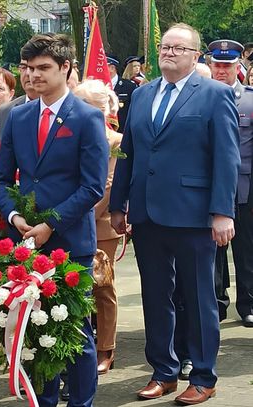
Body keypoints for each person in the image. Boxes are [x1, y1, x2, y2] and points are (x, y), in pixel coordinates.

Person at [110, 23, 240, 405]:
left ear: (195, 56)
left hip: (195, 215)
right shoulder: (143, 93)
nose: (169, 52)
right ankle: (163, 371)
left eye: (178, 48)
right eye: (165, 46)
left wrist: (222, 212)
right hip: (148, 214)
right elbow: (129, 153)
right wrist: (119, 204)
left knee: (198, 297)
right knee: (155, 296)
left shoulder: (214, 95)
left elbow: (226, 157)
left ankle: (202, 375)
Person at [0, 33, 108, 407]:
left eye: (44, 68)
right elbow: (1, 178)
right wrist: (13, 215)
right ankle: (42, 400)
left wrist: (51, 224)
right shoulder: (17, 116)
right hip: (26, 242)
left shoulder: (88, 118)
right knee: (33, 327)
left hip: (70, 241)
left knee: (74, 330)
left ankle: (81, 402)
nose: (33, 75)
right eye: (28, 68)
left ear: (66, 69)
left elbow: (92, 187)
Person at [73, 79, 123, 376]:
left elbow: (108, 186)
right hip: (68, 223)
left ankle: (106, 348)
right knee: (75, 288)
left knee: (102, 288)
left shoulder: (116, 141)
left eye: (94, 106)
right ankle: (79, 344)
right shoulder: (70, 137)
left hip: (100, 226)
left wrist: (73, 217)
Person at [208, 39, 253, 327]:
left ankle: (248, 302)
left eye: (227, 65)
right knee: (213, 251)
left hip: (244, 187)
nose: (222, 70)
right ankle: (217, 302)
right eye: (217, 65)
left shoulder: (250, 99)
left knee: (247, 249)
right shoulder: (201, 97)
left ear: (239, 66)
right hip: (208, 186)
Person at [0, 59, 40, 142]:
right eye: (24, 67)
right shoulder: (5, 111)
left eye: (34, 67)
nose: (28, 73)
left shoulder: (64, 108)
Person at [107, 55, 137, 131]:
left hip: (122, 132)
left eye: (103, 66)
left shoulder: (129, 86)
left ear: (112, 68)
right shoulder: (97, 85)